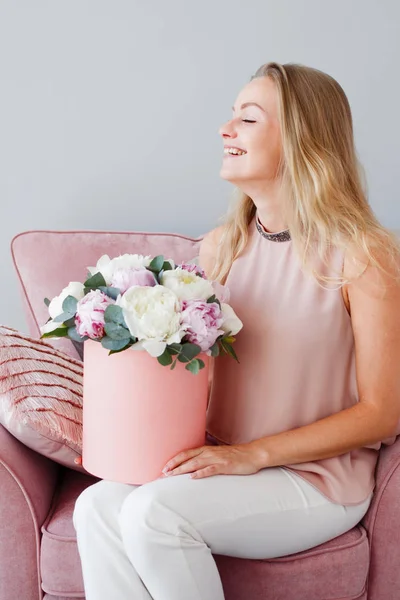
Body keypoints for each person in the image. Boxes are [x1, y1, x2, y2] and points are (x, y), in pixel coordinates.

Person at [72, 62, 400, 600]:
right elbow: (192, 380)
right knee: (97, 507)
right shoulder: (221, 247)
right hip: (224, 465)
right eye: (231, 117)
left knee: (155, 513)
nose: (226, 131)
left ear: (301, 139)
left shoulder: (364, 255)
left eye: (247, 119)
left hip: (314, 479)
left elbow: (381, 412)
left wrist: (254, 455)